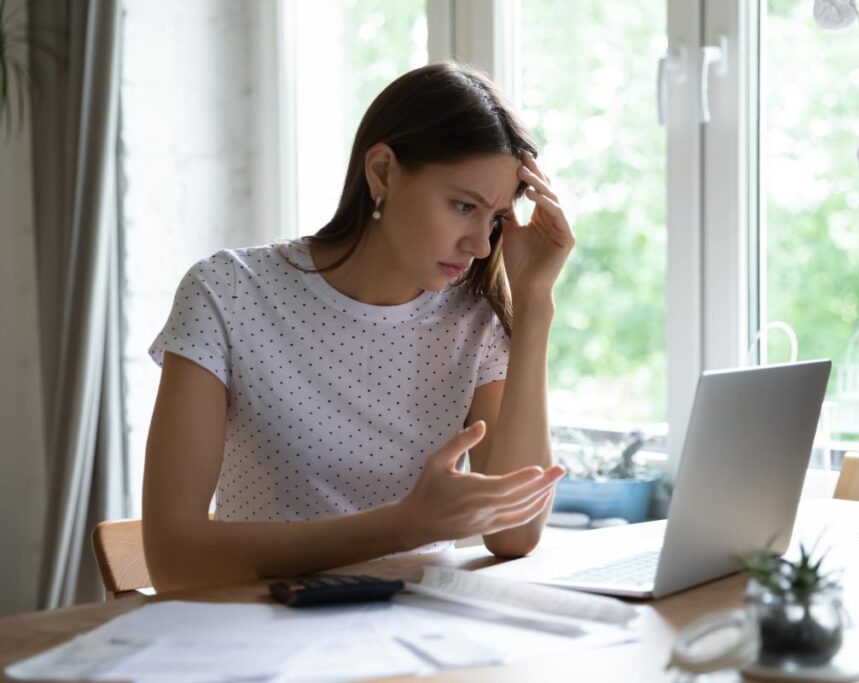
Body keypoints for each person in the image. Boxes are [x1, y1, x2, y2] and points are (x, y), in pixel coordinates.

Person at [142, 62, 575, 593]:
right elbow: (172, 560)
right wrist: (403, 526)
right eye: (463, 206)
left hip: (416, 642)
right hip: (261, 636)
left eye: (496, 219)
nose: (481, 245)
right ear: (383, 171)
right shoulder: (228, 292)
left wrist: (534, 302)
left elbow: (515, 532)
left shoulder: (473, 320)